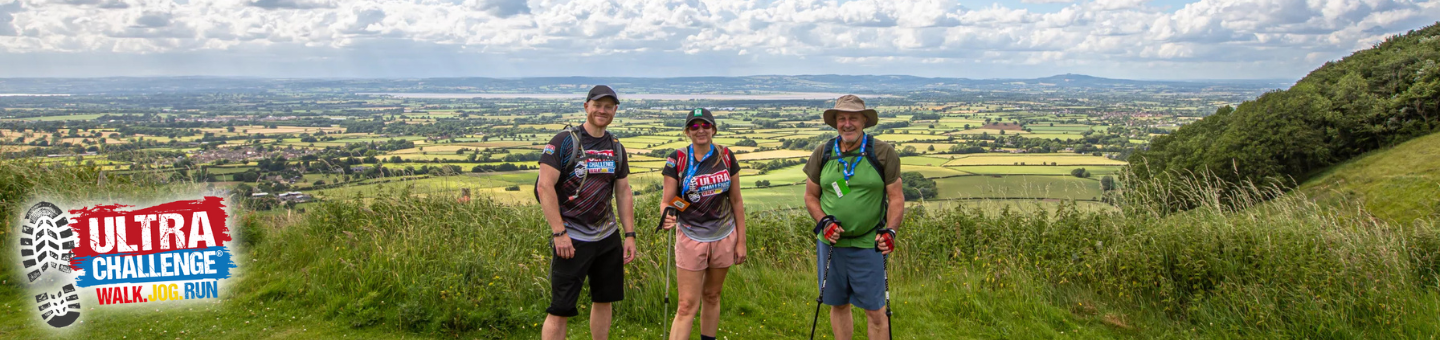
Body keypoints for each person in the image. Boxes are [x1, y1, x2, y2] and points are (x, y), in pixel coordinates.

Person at [536, 85, 637, 340]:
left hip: (607, 237)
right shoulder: (564, 141)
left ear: (615, 110)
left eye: (608, 106)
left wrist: (629, 235)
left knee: (604, 300)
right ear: (586, 107)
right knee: (560, 308)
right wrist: (559, 233)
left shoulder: (615, 146)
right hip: (571, 238)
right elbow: (544, 186)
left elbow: (623, 191)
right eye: (597, 105)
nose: (602, 110)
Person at [803, 94, 904, 340]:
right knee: (837, 304)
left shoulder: (882, 152)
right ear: (835, 122)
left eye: (853, 118)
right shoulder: (824, 152)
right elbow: (810, 196)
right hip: (831, 244)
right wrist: (823, 221)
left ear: (864, 121)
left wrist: (890, 231)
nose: (847, 123)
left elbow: (897, 197)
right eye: (842, 118)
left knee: (876, 311)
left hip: (869, 243)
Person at [658, 108, 747, 340]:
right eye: (695, 126)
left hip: (724, 236)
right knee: (687, 305)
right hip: (690, 237)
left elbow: (736, 201)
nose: (701, 130)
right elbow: (668, 201)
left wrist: (741, 242)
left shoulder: (725, 156)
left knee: (712, 296)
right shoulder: (677, 159)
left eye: (705, 125)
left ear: (714, 129)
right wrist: (668, 214)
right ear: (687, 132)